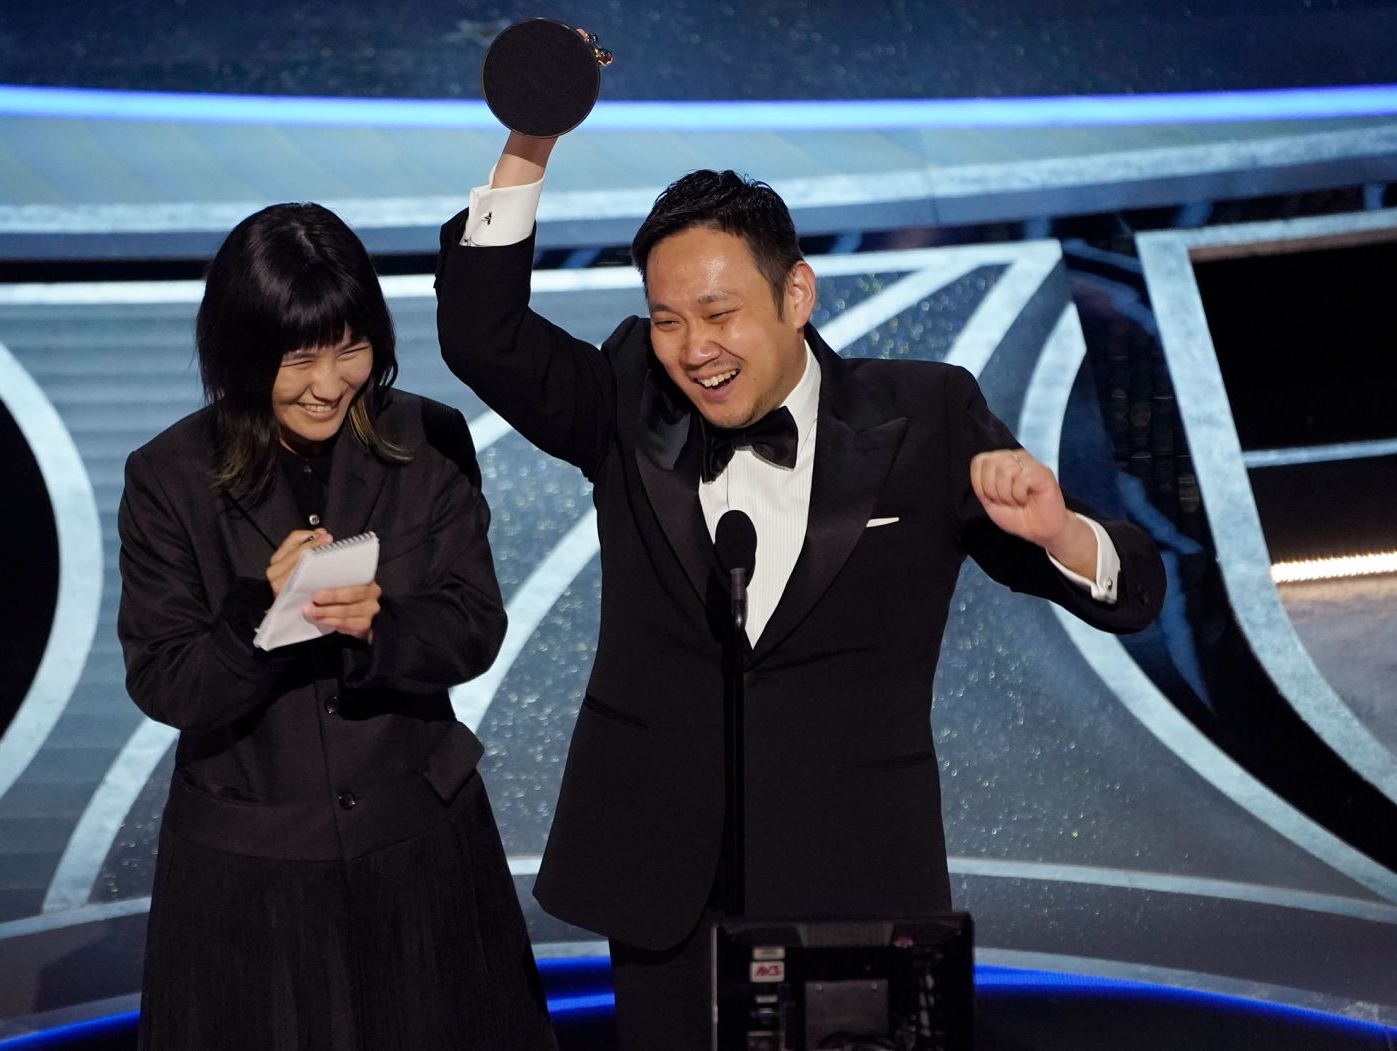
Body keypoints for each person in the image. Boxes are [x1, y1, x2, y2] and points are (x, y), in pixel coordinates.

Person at [434, 132, 1165, 1048]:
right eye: (667, 320)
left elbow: (1134, 591)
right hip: (665, 886)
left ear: (796, 293)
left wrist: (1061, 532)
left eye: (718, 313)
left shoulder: (925, 416)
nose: (694, 349)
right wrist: (531, 139)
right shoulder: (627, 395)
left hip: (856, 880)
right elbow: (479, 331)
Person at [118, 202, 556, 1051]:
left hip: (422, 854)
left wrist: (380, 625)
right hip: (250, 879)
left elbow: (474, 625)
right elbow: (165, 679)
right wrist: (255, 611)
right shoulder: (167, 478)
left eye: (350, 349)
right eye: (298, 357)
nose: (328, 382)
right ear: (242, 353)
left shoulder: (428, 438)